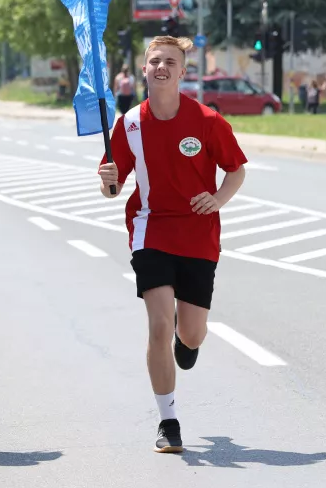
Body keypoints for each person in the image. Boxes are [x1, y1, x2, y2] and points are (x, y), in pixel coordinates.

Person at [96, 36, 247, 454]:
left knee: (192, 335)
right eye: (154, 61)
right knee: (159, 324)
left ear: (183, 72)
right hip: (151, 230)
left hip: (199, 234)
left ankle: (187, 339)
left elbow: (235, 171)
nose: (161, 67)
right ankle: (168, 420)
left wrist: (216, 198)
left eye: (170, 62)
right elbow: (115, 188)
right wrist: (109, 182)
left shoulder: (208, 121)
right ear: (144, 69)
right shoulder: (128, 124)